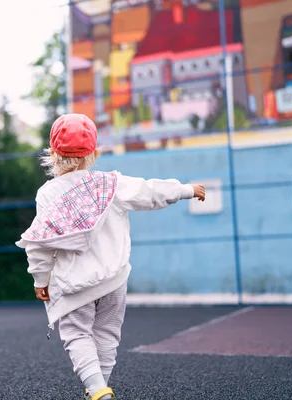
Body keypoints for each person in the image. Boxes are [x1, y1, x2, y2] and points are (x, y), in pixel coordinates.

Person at [16, 114, 205, 400]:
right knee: (107, 334)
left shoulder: (47, 194)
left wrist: (41, 279)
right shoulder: (111, 185)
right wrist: (185, 189)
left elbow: (40, 244)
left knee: (77, 335)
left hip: (74, 284)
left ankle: (96, 388)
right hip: (114, 280)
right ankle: (100, 388)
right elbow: (149, 191)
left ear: (52, 154)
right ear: (94, 153)